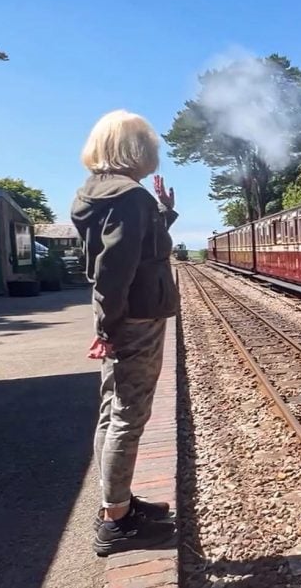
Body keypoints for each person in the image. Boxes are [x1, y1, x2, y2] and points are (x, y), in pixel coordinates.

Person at [71, 110, 179, 556]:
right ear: (137, 149)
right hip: (134, 318)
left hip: (123, 317)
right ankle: (117, 521)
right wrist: (108, 325)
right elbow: (113, 269)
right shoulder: (130, 197)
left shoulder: (98, 192)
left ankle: (117, 503)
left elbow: (129, 248)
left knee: (110, 412)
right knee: (129, 416)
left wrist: (164, 214)